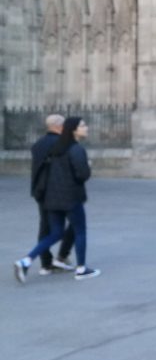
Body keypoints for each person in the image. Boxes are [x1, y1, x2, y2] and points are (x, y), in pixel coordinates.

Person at [14, 117, 100, 282]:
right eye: (82, 125)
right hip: (71, 197)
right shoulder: (76, 149)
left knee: (55, 233)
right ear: (73, 129)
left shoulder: (56, 150)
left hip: (52, 197)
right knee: (80, 230)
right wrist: (88, 166)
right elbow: (82, 175)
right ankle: (81, 268)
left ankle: (26, 261)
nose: (86, 128)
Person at [30, 113, 76, 274]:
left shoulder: (38, 144)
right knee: (76, 223)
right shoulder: (63, 144)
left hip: (40, 190)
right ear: (59, 127)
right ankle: (62, 257)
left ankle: (45, 263)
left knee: (45, 225)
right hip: (59, 191)